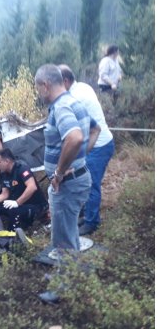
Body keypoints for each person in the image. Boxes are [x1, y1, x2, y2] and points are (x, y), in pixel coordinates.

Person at [34, 64, 100, 257]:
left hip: (67, 185)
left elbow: (75, 137)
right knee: (70, 234)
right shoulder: (74, 102)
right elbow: (95, 130)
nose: (38, 93)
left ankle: (66, 283)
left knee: (64, 244)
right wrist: (78, 157)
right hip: (77, 178)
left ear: (45, 85)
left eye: (38, 88)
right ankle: (71, 278)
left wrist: (59, 173)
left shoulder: (61, 107)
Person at [59, 64, 115, 236]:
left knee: (91, 184)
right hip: (98, 142)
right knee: (84, 181)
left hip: (99, 145)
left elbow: (78, 133)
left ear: (66, 81)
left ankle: (92, 222)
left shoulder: (76, 98)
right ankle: (87, 214)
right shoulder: (82, 86)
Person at [0, 148, 48, 231]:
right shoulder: (4, 174)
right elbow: (4, 194)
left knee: (15, 211)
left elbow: (32, 187)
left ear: (7, 161)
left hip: (34, 205)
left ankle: (12, 236)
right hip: (18, 204)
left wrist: (17, 202)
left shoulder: (22, 169)